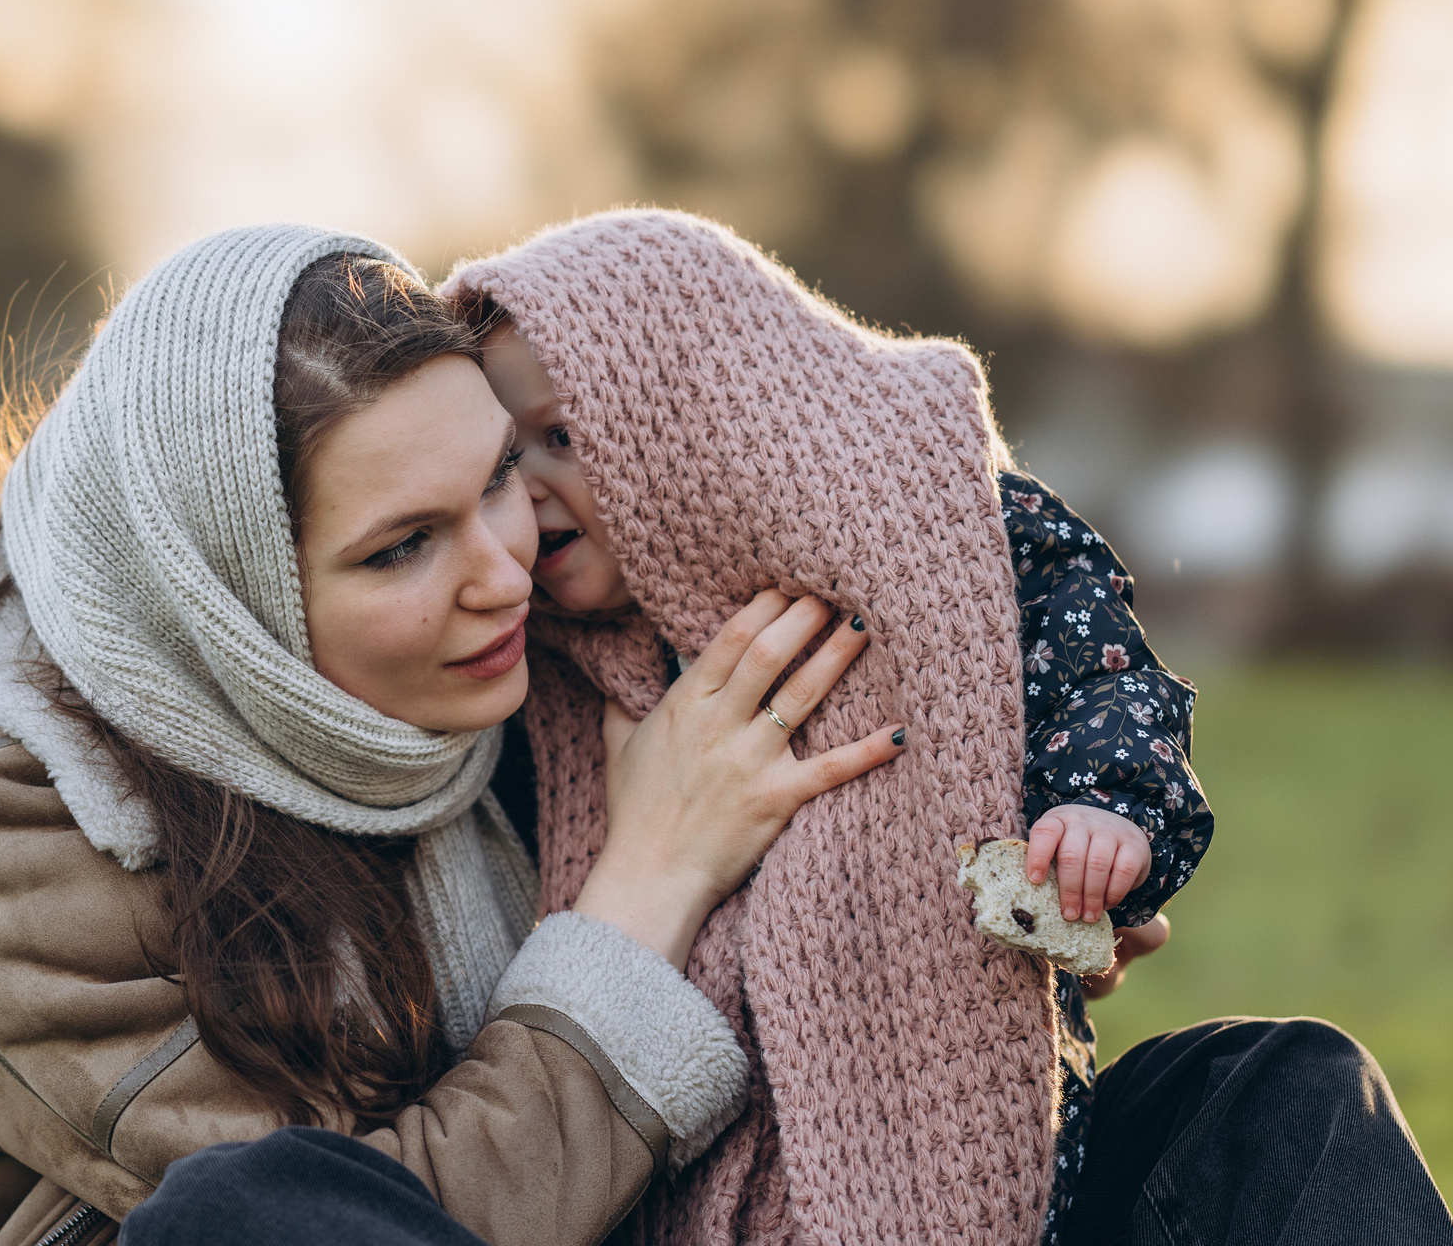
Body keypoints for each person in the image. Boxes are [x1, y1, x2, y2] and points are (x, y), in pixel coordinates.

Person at [0, 225, 910, 1246]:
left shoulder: (537, 655)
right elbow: (356, 1216)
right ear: (229, 603)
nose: (505, 570)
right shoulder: (20, 822)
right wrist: (648, 884)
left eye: (495, 478)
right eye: (402, 548)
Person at [445, 207, 1450, 1246]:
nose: (529, 492)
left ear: (695, 417)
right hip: (702, 1172)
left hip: (994, 1147)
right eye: (498, 463)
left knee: (1290, 1086)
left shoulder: (942, 543)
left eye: (562, 437)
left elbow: (1100, 680)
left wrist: (1100, 817)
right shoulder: (540, 679)